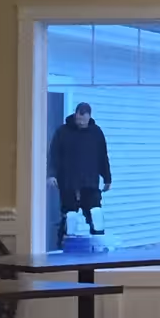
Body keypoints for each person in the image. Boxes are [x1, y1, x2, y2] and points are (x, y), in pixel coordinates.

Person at [48, 101, 111, 250]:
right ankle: (63, 249)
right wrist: (51, 174)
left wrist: (107, 178)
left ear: (89, 117)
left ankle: (99, 247)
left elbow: (103, 156)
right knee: (70, 217)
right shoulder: (63, 132)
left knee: (96, 215)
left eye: (84, 119)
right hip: (68, 182)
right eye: (79, 119)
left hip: (90, 182)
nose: (81, 122)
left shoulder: (96, 133)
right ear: (75, 115)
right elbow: (54, 155)